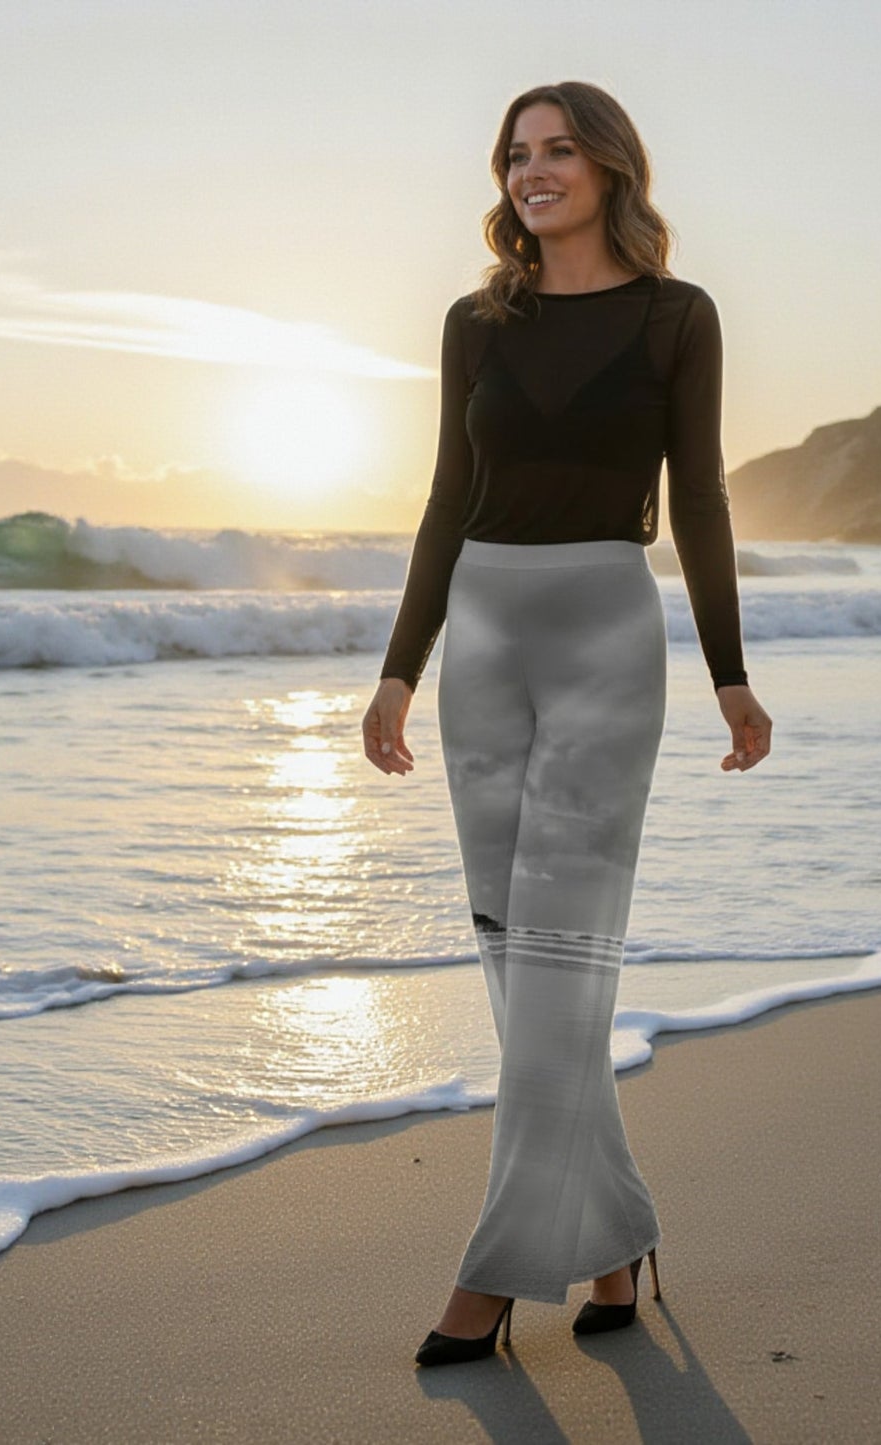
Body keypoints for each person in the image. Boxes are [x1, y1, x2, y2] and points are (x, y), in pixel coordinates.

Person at [361, 80, 773, 1367]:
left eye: (556, 152)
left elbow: (696, 493)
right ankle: (613, 1243)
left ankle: (489, 1271)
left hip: (604, 627)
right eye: (514, 154)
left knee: (558, 951)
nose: (531, 171)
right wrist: (397, 670)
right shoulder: (474, 322)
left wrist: (728, 672)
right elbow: (444, 495)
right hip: (481, 632)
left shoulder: (674, 317)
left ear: (607, 169)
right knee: (514, 956)